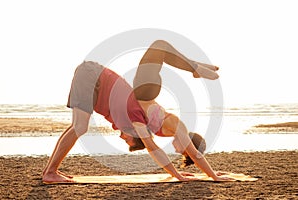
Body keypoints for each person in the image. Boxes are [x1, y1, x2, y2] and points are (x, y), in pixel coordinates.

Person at [42, 40, 232, 183]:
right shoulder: (143, 121)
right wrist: (209, 176)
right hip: (105, 80)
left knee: (77, 126)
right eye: (128, 140)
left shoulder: (130, 120)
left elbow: (158, 148)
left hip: (93, 78)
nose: (121, 137)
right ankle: (195, 67)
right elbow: (167, 150)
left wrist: (178, 174)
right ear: (135, 135)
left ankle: (50, 171)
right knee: (159, 46)